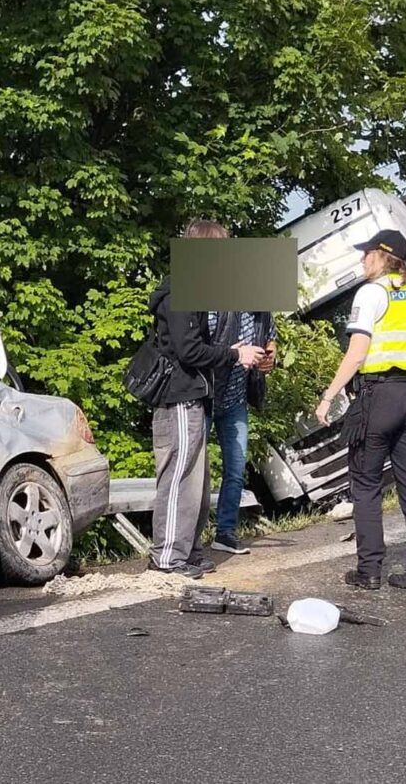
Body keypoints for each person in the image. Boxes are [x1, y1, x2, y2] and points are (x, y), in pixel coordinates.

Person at [315, 229, 406, 592]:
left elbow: (357, 353)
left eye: (366, 253)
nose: (362, 259)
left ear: (381, 256)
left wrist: (329, 395)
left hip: (379, 397)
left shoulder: (371, 293)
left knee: (366, 484)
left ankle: (369, 570)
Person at [146, 220, 265, 578]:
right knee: (180, 476)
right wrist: (233, 355)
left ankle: (189, 549)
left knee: (198, 480)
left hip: (195, 395)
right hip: (179, 395)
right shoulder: (181, 289)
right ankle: (167, 556)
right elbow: (188, 349)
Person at [206, 300, 278, 556]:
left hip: (236, 402)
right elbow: (201, 347)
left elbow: (271, 343)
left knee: (236, 471)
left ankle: (225, 533)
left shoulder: (263, 314)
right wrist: (234, 354)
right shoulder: (218, 307)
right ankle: (188, 537)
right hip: (206, 398)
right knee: (196, 471)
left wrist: (269, 360)